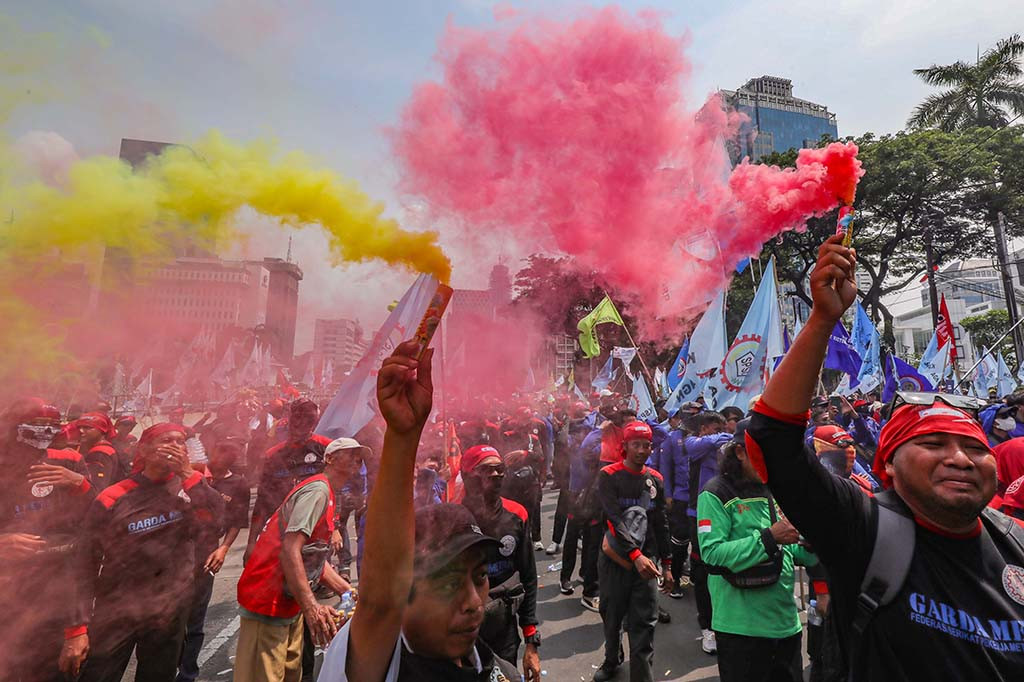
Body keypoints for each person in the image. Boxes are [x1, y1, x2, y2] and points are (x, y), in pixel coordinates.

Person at [748, 234, 1024, 681]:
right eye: (932, 445)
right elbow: (772, 443)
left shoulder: (1016, 540)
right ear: (889, 464)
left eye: (975, 448)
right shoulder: (864, 528)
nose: (960, 458)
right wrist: (822, 319)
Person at [318, 340, 521, 681]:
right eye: (448, 584)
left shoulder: (502, 673)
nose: (474, 602)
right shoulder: (385, 665)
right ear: (404, 594)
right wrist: (403, 436)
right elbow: (380, 602)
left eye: (480, 577)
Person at [60, 423, 224, 682]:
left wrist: (187, 473)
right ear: (144, 450)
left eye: (180, 441)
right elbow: (84, 563)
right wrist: (76, 629)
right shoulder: (113, 496)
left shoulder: (190, 489)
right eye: (166, 440)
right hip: (118, 609)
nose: (174, 446)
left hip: (169, 610)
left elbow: (217, 524)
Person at [697, 418, 818, 682]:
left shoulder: (776, 489)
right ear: (740, 452)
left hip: (786, 626)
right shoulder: (716, 493)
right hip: (742, 631)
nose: (772, 461)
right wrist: (769, 538)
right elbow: (712, 556)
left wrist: (812, 545)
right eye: (764, 453)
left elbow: (791, 551)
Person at [235, 438, 356, 682]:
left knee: (291, 675)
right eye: (350, 454)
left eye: (360, 457)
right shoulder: (317, 491)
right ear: (329, 459)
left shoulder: (328, 492)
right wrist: (312, 607)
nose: (357, 460)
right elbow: (290, 549)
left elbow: (312, 557)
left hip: (288, 601)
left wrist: (348, 592)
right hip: (268, 599)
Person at [0, 398, 95, 682]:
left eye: (51, 425)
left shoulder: (69, 460)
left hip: (55, 591)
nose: (44, 431)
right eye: (36, 424)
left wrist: (79, 484)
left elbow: (96, 519)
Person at [593, 421, 672, 682]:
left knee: (644, 625)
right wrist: (634, 556)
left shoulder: (655, 479)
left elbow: (660, 522)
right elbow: (613, 519)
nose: (641, 450)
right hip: (615, 559)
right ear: (624, 446)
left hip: (646, 564)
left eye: (646, 445)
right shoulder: (609, 475)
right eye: (635, 445)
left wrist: (667, 565)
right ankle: (611, 660)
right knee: (612, 615)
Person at [459, 444, 541, 680]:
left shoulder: (517, 514)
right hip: (463, 632)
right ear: (467, 476)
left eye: (499, 469)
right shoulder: (454, 520)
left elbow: (528, 576)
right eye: (486, 470)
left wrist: (531, 640)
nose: (495, 474)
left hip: (504, 630)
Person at [176, 437, 251, 682]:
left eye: (232, 453)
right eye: (222, 450)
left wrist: (223, 549)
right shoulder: (190, 474)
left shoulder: (238, 484)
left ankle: (187, 674)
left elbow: (237, 521)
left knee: (195, 619)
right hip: (175, 553)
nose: (225, 456)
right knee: (170, 618)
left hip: (206, 553)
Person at [247, 398, 332, 562]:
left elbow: (336, 490)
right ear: (289, 420)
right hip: (281, 532)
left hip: (317, 530)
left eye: (307, 417)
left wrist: (335, 529)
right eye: (297, 416)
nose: (301, 422)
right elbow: (262, 501)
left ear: (314, 421)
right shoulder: (273, 455)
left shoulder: (326, 448)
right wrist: (251, 542)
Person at [685, 410, 733, 654]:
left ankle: (725, 621)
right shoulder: (695, 443)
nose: (721, 435)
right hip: (699, 515)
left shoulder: (728, 450)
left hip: (727, 514)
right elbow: (694, 447)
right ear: (703, 429)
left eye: (723, 429)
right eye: (716, 429)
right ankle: (707, 627)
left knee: (725, 569)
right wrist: (726, 436)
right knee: (705, 571)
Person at [560, 401, 604, 611]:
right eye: (581, 432)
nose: (584, 435)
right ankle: (565, 577)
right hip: (574, 495)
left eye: (587, 431)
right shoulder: (571, 444)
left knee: (589, 539)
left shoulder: (593, 448)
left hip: (591, 497)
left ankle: (585, 573)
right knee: (571, 538)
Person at [76, 412, 121, 489]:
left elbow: (95, 487)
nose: (81, 430)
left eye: (87, 427)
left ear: (102, 430)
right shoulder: (105, 448)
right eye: (79, 427)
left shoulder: (100, 453)